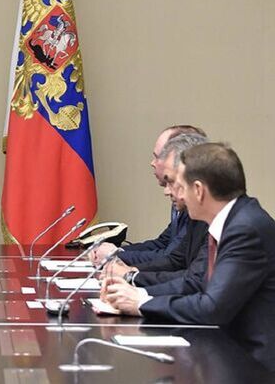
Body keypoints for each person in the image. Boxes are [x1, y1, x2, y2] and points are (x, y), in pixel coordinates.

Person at [103, 143, 275, 369]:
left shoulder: (244, 229)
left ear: (199, 190)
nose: (177, 195)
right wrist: (137, 294)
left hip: (252, 363)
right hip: (225, 348)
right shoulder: (234, 220)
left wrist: (141, 303)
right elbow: (197, 284)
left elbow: (212, 307)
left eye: (181, 187)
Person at [101, 133, 209, 287]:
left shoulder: (234, 226)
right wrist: (130, 272)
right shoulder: (199, 215)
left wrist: (131, 278)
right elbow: (176, 259)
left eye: (172, 182)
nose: (167, 191)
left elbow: (194, 282)